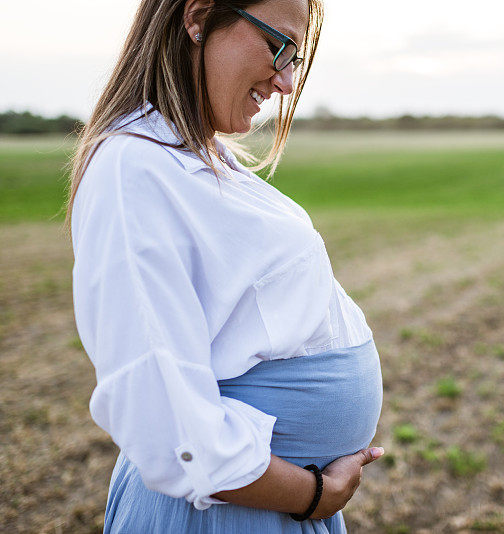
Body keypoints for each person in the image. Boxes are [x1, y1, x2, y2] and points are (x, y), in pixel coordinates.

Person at [63, 0, 385, 531]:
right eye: (278, 45)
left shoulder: (194, 154)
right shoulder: (133, 168)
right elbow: (167, 425)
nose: (285, 82)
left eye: (295, 59)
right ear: (198, 16)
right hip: (223, 516)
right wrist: (312, 496)